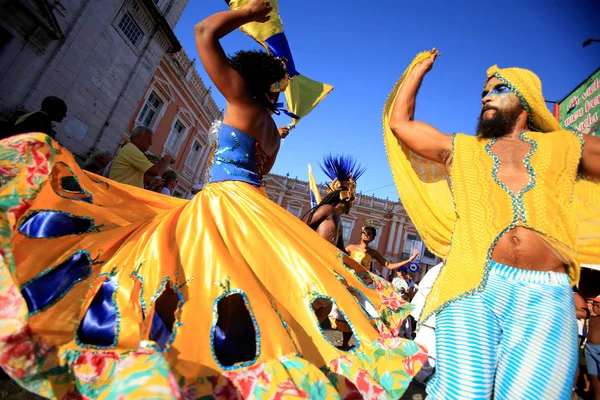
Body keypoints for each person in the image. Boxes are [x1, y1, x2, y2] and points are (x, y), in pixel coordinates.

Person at [0, 2, 426, 398]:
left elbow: (203, 32)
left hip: (223, 204)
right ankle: (260, 364)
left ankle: (185, 356)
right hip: (256, 209)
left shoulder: (240, 100)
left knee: (175, 270)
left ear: (244, 77)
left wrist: (249, 13)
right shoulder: (270, 134)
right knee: (254, 288)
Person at [383, 49, 600, 399]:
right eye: (484, 92)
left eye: (499, 89)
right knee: (463, 393)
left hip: (546, 297)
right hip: (472, 287)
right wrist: (417, 70)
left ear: (526, 101)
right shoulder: (461, 148)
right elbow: (401, 125)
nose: (487, 96)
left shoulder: (566, 144)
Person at [330, 223, 419, 350]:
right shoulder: (351, 248)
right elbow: (339, 257)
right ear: (361, 234)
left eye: (370, 234)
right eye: (365, 233)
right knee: (345, 312)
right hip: (348, 283)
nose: (367, 235)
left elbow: (388, 265)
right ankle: (344, 343)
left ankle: (356, 342)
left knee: (360, 314)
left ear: (372, 238)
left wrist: (409, 260)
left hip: (363, 286)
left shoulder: (372, 253)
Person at [303, 153, 364, 252]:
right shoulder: (327, 209)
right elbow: (302, 225)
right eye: (353, 200)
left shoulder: (338, 220)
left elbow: (341, 250)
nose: (353, 203)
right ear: (346, 198)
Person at [108, 126, 172, 188]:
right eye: (149, 140)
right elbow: (156, 171)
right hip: (120, 194)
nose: (151, 143)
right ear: (139, 137)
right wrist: (166, 160)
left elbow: (144, 177)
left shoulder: (131, 149)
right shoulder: (132, 149)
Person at [586, 295, 600, 400]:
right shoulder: (592, 317)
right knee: (593, 374)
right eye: (594, 305)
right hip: (589, 348)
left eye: (597, 306)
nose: (594, 307)